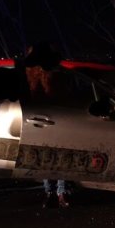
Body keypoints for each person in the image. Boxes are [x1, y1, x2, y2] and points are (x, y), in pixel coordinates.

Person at [21, 41, 71, 209]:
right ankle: (55, 192)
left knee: (51, 156)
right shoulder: (33, 74)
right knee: (51, 155)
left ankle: (55, 192)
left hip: (47, 118)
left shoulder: (51, 73)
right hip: (43, 118)